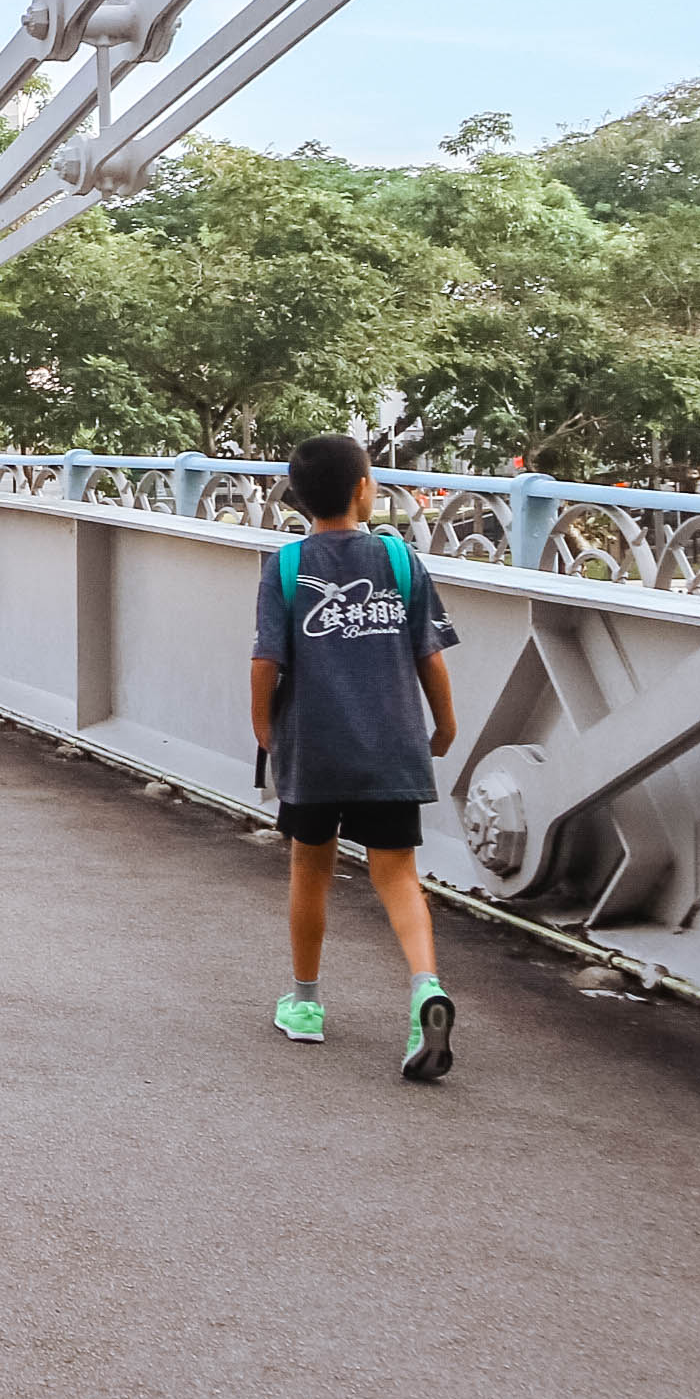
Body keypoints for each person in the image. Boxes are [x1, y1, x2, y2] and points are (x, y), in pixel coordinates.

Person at [251, 431, 462, 1082]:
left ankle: (306, 1004)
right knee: (398, 875)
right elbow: (430, 654)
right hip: (391, 748)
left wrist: (265, 730)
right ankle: (425, 989)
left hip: (315, 752)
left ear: (298, 500)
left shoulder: (285, 567)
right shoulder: (400, 561)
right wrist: (445, 725)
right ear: (365, 489)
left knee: (310, 869)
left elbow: (266, 661)